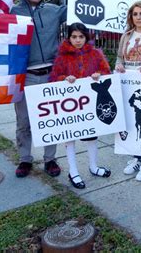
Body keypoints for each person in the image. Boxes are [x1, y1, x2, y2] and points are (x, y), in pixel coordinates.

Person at [11, 0, 67, 178]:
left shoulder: (54, 11)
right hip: (25, 75)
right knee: (24, 121)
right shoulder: (12, 11)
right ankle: (25, 159)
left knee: (50, 119)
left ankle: (50, 159)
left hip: (51, 74)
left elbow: (79, 8)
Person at [48, 23, 112, 189]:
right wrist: (64, 78)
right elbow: (54, 77)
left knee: (91, 135)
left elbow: (106, 72)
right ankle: (73, 171)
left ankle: (93, 166)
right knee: (70, 136)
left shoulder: (96, 54)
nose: (77, 40)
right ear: (69, 38)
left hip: (89, 104)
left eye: (81, 37)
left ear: (86, 37)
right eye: (74, 37)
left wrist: (99, 75)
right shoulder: (62, 56)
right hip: (70, 105)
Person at [115, 1, 141, 181]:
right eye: (135, 14)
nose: (138, 17)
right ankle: (136, 158)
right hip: (129, 84)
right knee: (131, 122)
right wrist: (118, 64)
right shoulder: (127, 35)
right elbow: (119, 57)